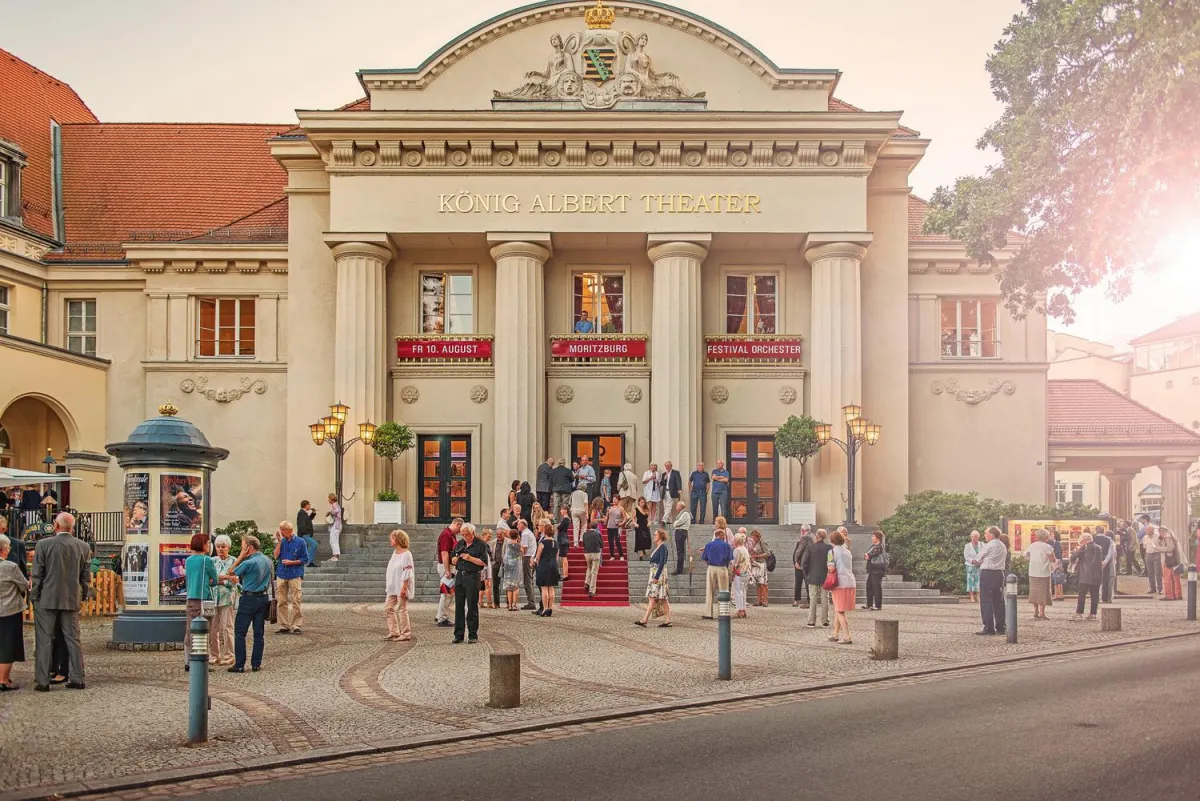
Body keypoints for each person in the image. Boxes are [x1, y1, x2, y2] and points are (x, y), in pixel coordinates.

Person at [31, 512, 90, 691]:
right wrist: (82, 595)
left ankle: (42, 681)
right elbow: (85, 577)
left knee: (44, 640)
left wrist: (35, 595)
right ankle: (77, 678)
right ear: (71, 527)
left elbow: (37, 574)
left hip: (47, 598)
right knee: (73, 639)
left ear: (56, 526)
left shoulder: (43, 544)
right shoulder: (83, 546)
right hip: (71, 598)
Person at [223, 535, 273, 672]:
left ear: (249, 548)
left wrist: (240, 556)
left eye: (243, 547)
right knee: (259, 632)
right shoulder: (267, 560)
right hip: (263, 598)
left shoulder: (248, 562)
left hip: (249, 598)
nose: (241, 549)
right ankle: (256, 663)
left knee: (240, 632)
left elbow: (230, 572)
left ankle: (239, 664)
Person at [181, 533, 218, 671]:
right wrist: (210, 581)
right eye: (207, 543)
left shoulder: (189, 560)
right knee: (204, 630)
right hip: (204, 598)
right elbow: (214, 580)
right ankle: (202, 661)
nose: (209, 545)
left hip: (191, 597)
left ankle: (187, 661)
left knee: (190, 629)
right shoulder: (206, 560)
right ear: (203, 545)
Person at [451, 523, 488, 643]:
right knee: (459, 606)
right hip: (460, 576)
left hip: (472, 576)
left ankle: (472, 635)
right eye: (462, 534)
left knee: (472, 606)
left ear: (472, 533)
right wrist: (455, 559)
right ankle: (458, 634)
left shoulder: (481, 544)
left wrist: (469, 558)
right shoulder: (460, 543)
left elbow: (484, 562)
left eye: (466, 534)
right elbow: (452, 558)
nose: (464, 536)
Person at [0, 534, 27, 691]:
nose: (9, 550)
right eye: (9, 547)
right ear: (3, 550)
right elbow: (23, 585)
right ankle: (3, 680)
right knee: (6, 645)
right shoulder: (10, 567)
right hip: (9, 611)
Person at [971, 526, 1008, 636]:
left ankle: (988, 627)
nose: (985, 535)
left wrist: (973, 561)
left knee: (986, 601)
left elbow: (978, 559)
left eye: (986, 533)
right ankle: (1001, 627)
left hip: (987, 573)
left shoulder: (988, 546)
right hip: (999, 574)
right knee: (999, 601)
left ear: (991, 535)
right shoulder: (1002, 545)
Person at [273, 521, 306, 635]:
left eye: (283, 530)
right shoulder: (282, 542)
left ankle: (296, 625)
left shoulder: (300, 542)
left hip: (295, 574)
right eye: (280, 529)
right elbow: (275, 555)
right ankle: (284, 625)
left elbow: (305, 559)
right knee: (281, 601)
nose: (281, 532)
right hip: (281, 573)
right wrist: (278, 542)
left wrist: (292, 562)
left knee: (296, 600)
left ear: (290, 531)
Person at [210, 534, 238, 666]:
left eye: (223, 546)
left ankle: (229, 655)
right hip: (213, 597)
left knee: (227, 627)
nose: (220, 549)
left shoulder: (234, 561)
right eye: (218, 546)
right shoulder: (212, 561)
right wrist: (226, 577)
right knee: (213, 628)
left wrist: (220, 579)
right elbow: (210, 580)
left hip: (227, 598)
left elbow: (234, 581)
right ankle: (215, 655)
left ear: (229, 547)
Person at [636, 529, 672, 627]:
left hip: (658, 575)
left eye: (656, 534)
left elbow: (662, 563)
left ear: (660, 536)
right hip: (655, 574)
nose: (654, 536)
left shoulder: (663, 547)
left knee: (654, 597)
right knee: (662, 598)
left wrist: (656, 577)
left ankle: (645, 619)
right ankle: (668, 620)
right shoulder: (659, 547)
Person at [384, 529, 414, 642]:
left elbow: (408, 572)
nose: (390, 540)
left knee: (402, 609)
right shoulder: (395, 552)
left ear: (398, 539)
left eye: (392, 538)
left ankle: (406, 633)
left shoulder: (407, 554)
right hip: (392, 586)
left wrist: (404, 587)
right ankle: (394, 631)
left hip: (401, 586)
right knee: (388, 607)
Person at [828, 529, 856, 645]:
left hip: (839, 583)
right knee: (838, 609)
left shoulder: (832, 552)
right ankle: (835, 634)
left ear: (832, 540)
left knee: (839, 611)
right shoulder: (847, 551)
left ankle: (847, 636)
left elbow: (831, 568)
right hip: (850, 581)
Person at [1023, 529, 1057, 620]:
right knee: (1043, 593)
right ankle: (1042, 613)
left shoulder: (1032, 546)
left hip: (1033, 572)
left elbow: (1025, 554)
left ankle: (1036, 611)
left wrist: (1032, 559)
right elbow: (1053, 559)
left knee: (1034, 592)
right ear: (1046, 537)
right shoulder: (1048, 547)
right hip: (1044, 572)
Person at [700, 528, 733, 620]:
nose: (724, 537)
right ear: (721, 535)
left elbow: (704, 557)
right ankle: (724, 612)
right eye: (724, 536)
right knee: (724, 590)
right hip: (722, 567)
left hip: (711, 568)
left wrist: (710, 562)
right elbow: (729, 558)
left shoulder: (709, 545)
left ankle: (708, 613)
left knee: (709, 590)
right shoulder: (726, 545)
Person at [1070, 532, 1104, 621]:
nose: (1080, 543)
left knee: (1082, 595)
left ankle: (1079, 613)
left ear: (1085, 540)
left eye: (1081, 541)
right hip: (1097, 575)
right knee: (1094, 596)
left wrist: (1075, 551)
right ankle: (1093, 614)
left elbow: (1073, 558)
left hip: (1085, 575)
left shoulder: (1084, 548)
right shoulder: (1099, 547)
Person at [802, 528, 832, 627]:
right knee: (825, 598)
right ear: (825, 537)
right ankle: (825, 620)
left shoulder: (810, 547)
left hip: (812, 575)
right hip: (825, 576)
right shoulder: (829, 548)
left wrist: (807, 575)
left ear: (816, 536)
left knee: (813, 598)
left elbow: (804, 563)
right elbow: (831, 562)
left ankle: (811, 621)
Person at [436, 518, 463, 625]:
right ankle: (442, 617)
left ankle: (440, 615)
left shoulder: (450, 534)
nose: (461, 531)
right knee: (446, 593)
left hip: (449, 566)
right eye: (460, 528)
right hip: (447, 566)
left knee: (448, 593)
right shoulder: (446, 535)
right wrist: (447, 570)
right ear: (457, 524)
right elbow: (444, 553)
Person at [532, 522, 560, 618]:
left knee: (544, 588)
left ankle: (545, 609)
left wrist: (537, 564)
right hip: (553, 565)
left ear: (545, 531)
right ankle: (550, 608)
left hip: (544, 565)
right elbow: (557, 557)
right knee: (551, 588)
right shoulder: (556, 543)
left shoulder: (542, 543)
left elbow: (538, 557)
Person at [863, 530, 887, 611]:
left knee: (877, 587)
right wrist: (867, 555)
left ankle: (877, 605)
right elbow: (866, 555)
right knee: (869, 586)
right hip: (872, 570)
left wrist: (868, 555)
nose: (872, 538)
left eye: (873, 536)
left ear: (878, 538)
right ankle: (869, 604)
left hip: (877, 570)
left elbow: (870, 554)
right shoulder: (873, 546)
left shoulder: (879, 546)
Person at [1156, 526, 1182, 601]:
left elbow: (1170, 547)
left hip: (1168, 560)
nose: (1159, 534)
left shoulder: (1167, 536)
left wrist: (1159, 548)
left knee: (1167, 578)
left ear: (1162, 531)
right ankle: (1177, 595)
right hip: (1175, 560)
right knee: (1176, 578)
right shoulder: (1171, 535)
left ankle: (1169, 595)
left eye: (1159, 532)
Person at [517, 518, 538, 610]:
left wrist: (521, 555)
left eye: (518, 524)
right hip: (531, 557)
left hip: (527, 557)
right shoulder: (529, 533)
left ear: (522, 525)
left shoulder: (525, 534)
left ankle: (531, 602)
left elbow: (524, 548)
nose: (517, 526)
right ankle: (531, 601)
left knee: (527, 580)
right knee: (530, 580)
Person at [730, 532, 751, 618]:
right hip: (746, 573)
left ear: (737, 541)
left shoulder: (737, 550)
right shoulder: (745, 549)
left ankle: (740, 610)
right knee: (743, 591)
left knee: (738, 592)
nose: (733, 541)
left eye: (734, 540)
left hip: (739, 573)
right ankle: (744, 609)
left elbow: (734, 563)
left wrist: (732, 573)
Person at [501, 529, 523, 611]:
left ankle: (509, 605)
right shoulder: (518, 545)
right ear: (517, 536)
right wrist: (519, 540)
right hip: (517, 566)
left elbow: (504, 554)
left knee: (509, 587)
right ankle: (514, 605)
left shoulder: (507, 543)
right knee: (515, 587)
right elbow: (522, 553)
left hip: (508, 566)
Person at [748, 529, 770, 607]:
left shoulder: (762, 542)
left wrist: (757, 556)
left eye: (753, 537)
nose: (752, 539)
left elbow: (767, 553)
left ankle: (765, 600)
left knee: (764, 583)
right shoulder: (754, 543)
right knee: (758, 583)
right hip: (755, 564)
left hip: (761, 564)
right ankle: (759, 600)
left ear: (757, 536)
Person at [791, 525, 812, 607]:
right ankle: (797, 599)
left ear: (803, 530)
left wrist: (796, 562)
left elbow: (798, 552)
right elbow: (796, 552)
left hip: (804, 565)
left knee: (806, 583)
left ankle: (808, 600)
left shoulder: (805, 538)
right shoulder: (805, 539)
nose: (800, 532)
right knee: (798, 583)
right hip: (800, 565)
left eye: (801, 531)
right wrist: (795, 563)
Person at [1093, 526, 1115, 604]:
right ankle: (1104, 598)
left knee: (1095, 580)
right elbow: (1110, 552)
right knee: (1105, 580)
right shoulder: (1109, 540)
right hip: (1106, 563)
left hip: (1095, 563)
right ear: (1103, 531)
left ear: (1096, 531)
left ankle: (1096, 597)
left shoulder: (1093, 539)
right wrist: (1105, 561)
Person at [582, 520, 603, 598]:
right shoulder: (598, 534)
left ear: (589, 526)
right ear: (596, 526)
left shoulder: (585, 534)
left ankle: (586, 582)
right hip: (595, 553)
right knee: (594, 572)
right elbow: (602, 545)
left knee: (589, 568)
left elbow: (583, 543)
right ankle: (591, 591)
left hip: (587, 553)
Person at [1141, 518, 1162, 595]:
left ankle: (1160, 589)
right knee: (1150, 573)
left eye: (1148, 530)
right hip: (1148, 554)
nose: (1147, 531)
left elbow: (1161, 544)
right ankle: (1152, 588)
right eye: (1146, 530)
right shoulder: (1145, 537)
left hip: (1156, 554)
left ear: (1152, 530)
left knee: (1157, 573)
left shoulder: (1157, 536)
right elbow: (1144, 547)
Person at [296, 500, 318, 567]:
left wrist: (313, 513)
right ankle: (308, 561)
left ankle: (309, 562)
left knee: (307, 548)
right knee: (314, 544)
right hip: (304, 535)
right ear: (306, 505)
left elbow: (308, 519)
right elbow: (301, 525)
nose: (310, 506)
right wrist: (306, 531)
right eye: (309, 504)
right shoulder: (301, 513)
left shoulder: (304, 513)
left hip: (306, 534)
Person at [963, 530, 982, 603]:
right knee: (970, 580)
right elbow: (966, 556)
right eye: (972, 536)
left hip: (979, 565)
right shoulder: (967, 546)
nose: (973, 538)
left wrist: (979, 561)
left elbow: (984, 554)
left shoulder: (982, 545)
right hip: (970, 565)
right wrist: (973, 561)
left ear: (978, 537)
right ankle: (971, 597)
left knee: (979, 581)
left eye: (975, 536)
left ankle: (978, 596)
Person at [478, 529, 495, 608]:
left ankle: (480, 602)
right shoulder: (484, 544)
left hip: (483, 566)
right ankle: (489, 603)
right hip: (485, 566)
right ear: (484, 535)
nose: (490, 537)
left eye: (491, 536)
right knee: (488, 584)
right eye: (489, 535)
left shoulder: (481, 544)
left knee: (482, 585)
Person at [570, 482, 590, 547]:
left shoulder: (573, 493)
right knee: (584, 525)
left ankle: (575, 542)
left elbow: (570, 502)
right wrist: (587, 513)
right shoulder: (584, 494)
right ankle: (581, 539)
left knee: (575, 527)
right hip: (582, 510)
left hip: (573, 510)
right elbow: (586, 504)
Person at [555, 509, 571, 582]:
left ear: (565, 510)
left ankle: (565, 574)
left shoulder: (566, 519)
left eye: (561, 510)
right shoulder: (565, 519)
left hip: (562, 539)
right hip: (562, 538)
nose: (560, 511)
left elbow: (558, 528)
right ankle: (564, 574)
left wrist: (558, 527)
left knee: (564, 557)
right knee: (563, 557)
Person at [1050, 530, 1066, 601]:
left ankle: (1059, 595)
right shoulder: (1055, 543)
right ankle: (1057, 595)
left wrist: (1056, 562)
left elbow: (1057, 553)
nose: (1051, 535)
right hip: (1057, 561)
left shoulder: (1057, 543)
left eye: (1052, 534)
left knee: (1058, 578)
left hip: (1057, 562)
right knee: (1056, 579)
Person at [326, 493, 342, 562]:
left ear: (331, 499)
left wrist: (330, 512)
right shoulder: (336, 504)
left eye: (329, 498)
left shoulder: (334, 504)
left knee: (333, 540)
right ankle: (336, 556)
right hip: (338, 525)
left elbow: (337, 511)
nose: (328, 500)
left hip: (336, 525)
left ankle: (335, 556)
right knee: (335, 540)